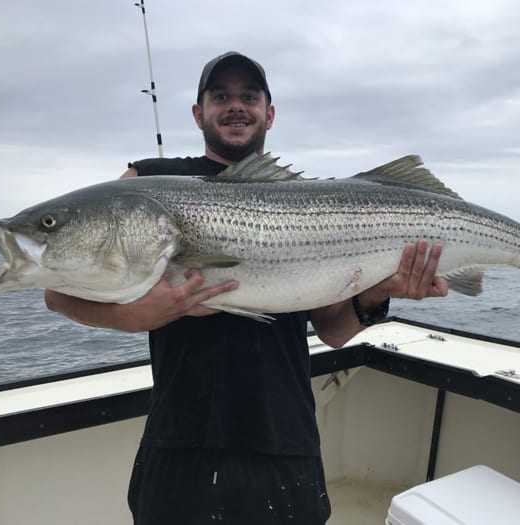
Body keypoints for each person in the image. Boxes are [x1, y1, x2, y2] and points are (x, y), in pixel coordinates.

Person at [44, 51, 448, 524]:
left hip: (284, 441)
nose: (236, 106)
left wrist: (378, 295)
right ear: (199, 113)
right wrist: (135, 315)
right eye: (220, 96)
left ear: (269, 113)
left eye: (249, 96)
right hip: (179, 441)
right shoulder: (146, 182)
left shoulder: (312, 202)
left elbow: (334, 331)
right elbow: (58, 293)